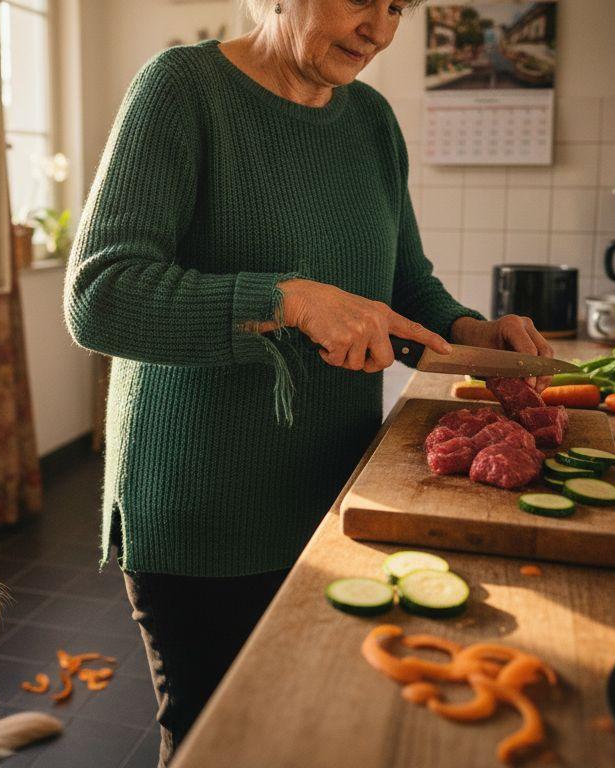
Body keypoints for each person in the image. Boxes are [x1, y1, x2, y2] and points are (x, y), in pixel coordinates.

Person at [63, 1, 554, 764]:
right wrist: (287, 298)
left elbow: (406, 282)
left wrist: (470, 333)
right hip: (205, 510)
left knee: (314, 731)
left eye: (398, 6)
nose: (382, 29)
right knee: (222, 742)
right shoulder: (181, 89)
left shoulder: (373, 122)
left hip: (337, 496)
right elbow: (100, 295)